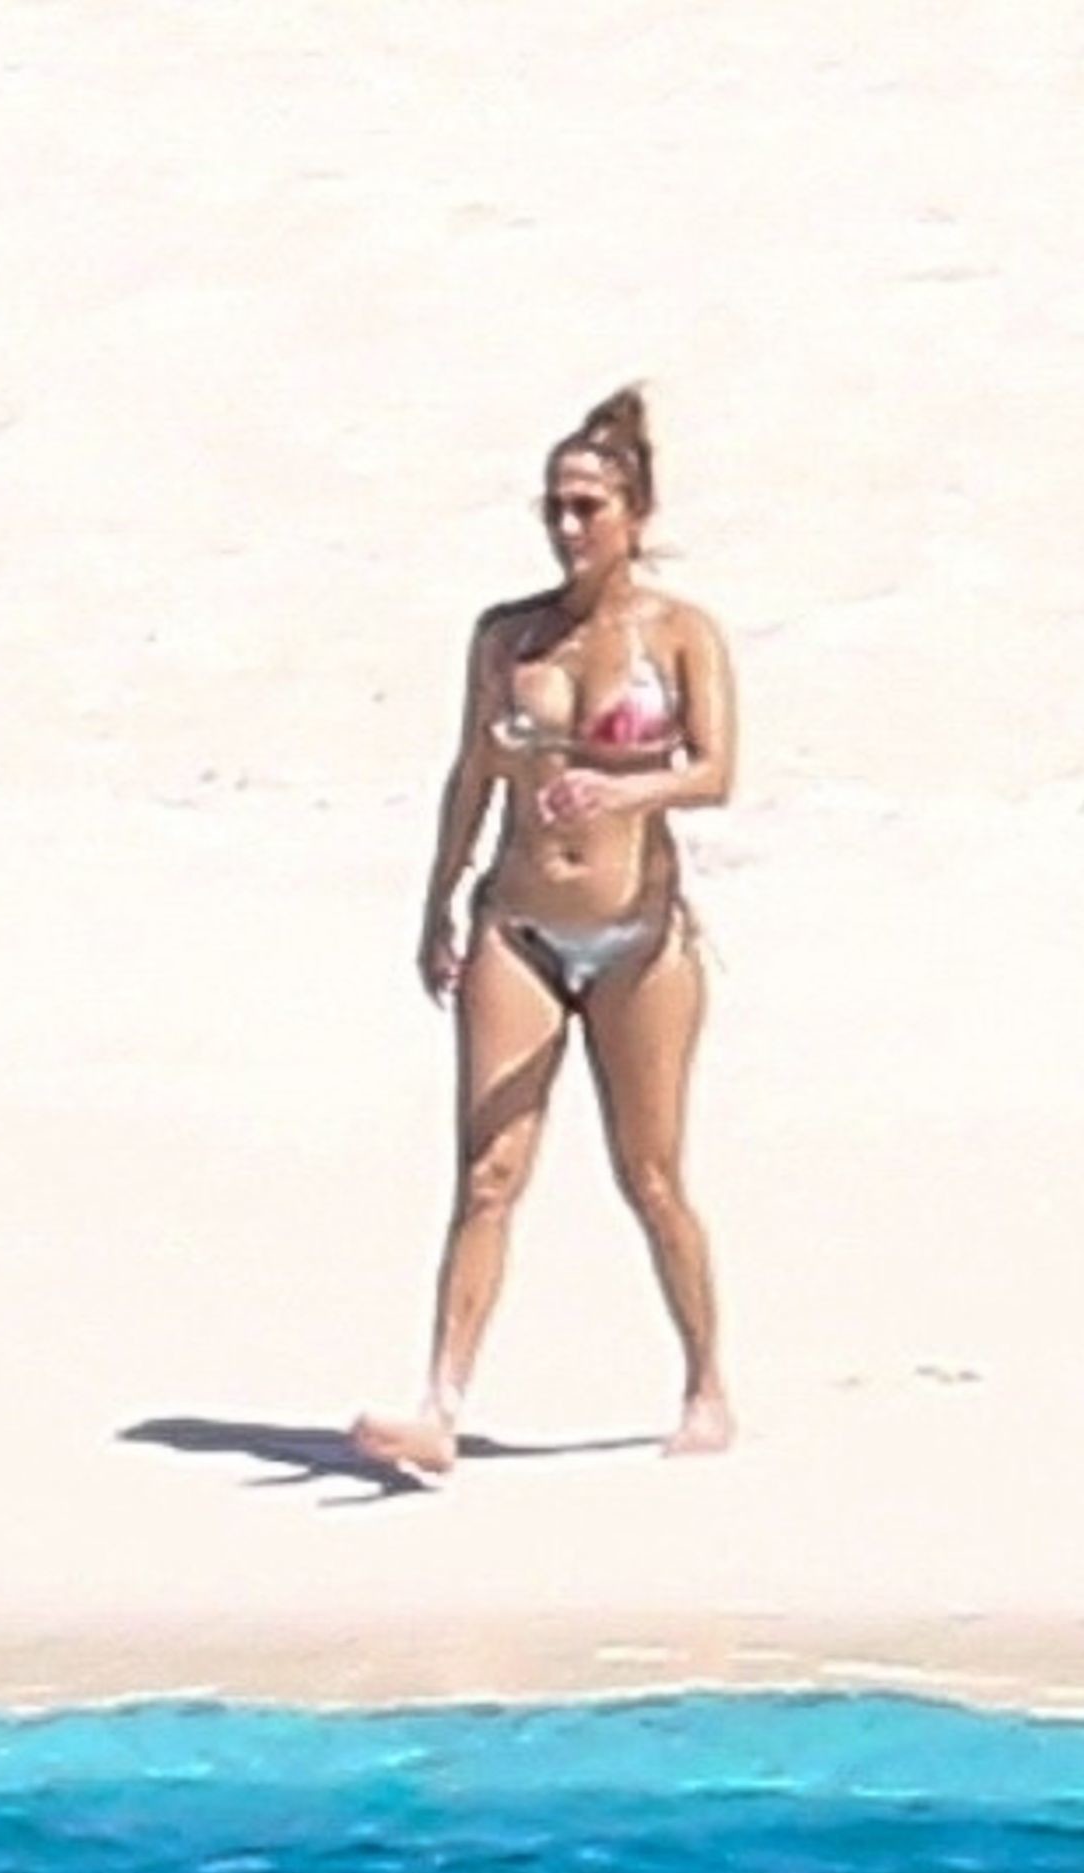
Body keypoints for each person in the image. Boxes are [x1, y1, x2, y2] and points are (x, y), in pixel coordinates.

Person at [350, 387, 736, 1475]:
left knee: (649, 1174)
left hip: (637, 938)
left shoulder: (680, 634)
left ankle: (705, 1383)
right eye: (554, 508)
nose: (568, 528)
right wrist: (438, 898)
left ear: (634, 515)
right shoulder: (507, 635)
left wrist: (622, 792)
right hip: (517, 924)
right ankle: (439, 1403)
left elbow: (715, 771)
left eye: (587, 508)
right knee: (488, 1172)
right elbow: (473, 771)